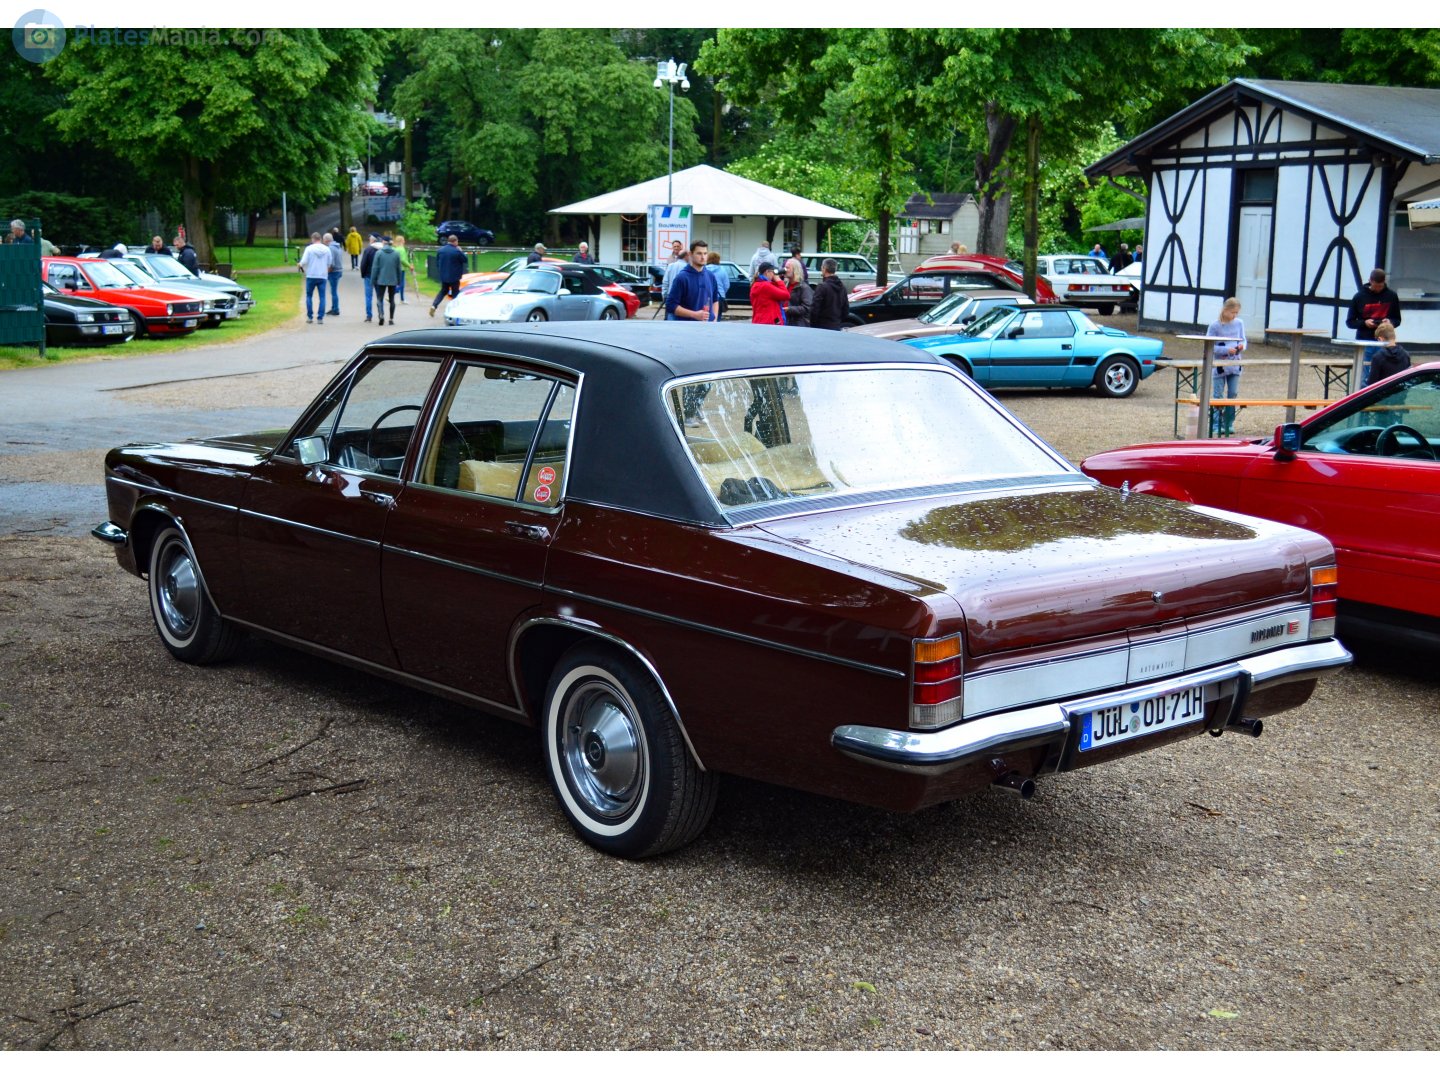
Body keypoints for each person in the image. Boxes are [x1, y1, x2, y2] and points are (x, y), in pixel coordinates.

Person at [1347, 267, 1403, 384]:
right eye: (1375, 286)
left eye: (1380, 286)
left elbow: (1397, 320)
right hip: (1364, 341)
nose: (1378, 289)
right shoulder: (1359, 297)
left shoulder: (1391, 296)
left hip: (1384, 342)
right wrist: (1364, 323)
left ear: (1384, 282)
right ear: (1370, 281)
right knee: (1363, 376)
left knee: (1384, 374)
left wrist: (1389, 322)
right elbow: (1350, 322)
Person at [1206, 297, 1246, 437]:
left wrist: (1241, 347)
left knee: (1232, 394)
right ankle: (1216, 424)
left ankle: (1228, 423)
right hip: (1219, 366)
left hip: (1235, 364)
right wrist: (1225, 350)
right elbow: (1210, 346)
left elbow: (1243, 340)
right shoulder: (1215, 326)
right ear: (1225, 310)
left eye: (1236, 313)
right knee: (1218, 395)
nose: (1235, 315)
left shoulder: (1239, 323)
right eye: (1233, 312)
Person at [665, 239, 717, 322]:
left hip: (708, 327)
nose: (703, 257)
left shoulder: (711, 276)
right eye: (699, 253)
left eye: (705, 253)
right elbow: (670, 306)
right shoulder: (682, 277)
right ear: (690, 254)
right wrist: (694, 314)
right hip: (687, 327)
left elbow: (715, 300)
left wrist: (714, 319)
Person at [297, 231, 332, 324]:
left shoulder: (309, 249)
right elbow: (329, 263)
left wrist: (300, 264)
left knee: (309, 296)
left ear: (313, 239)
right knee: (322, 297)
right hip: (322, 276)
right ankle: (320, 317)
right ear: (320, 239)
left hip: (311, 275)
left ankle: (310, 316)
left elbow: (304, 261)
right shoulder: (327, 249)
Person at [1364, 320, 1410, 387]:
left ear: (1380, 339)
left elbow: (1371, 383)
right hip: (1401, 391)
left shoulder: (1378, 357)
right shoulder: (1406, 355)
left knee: (1362, 383)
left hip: (1383, 392)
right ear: (1394, 337)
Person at [430, 234, 466, 317]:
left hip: (444, 275)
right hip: (454, 276)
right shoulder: (456, 251)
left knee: (443, 291)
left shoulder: (441, 250)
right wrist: (461, 251)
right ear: (455, 241)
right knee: (455, 293)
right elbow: (465, 260)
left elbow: (437, 263)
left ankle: (434, 305)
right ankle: (454, 310)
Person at [810, 258, 850, 330]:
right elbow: (846, 310)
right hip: (836, 326)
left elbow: (814, 309)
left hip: (821, 327)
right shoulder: (842, 287)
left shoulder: (822, 287)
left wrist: (813, 325)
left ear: (824, 268)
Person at [371, 236, 402, 327]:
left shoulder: (379, 253)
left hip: (381, 279)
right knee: (392, 299)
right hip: (393, 280)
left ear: (383, 243)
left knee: (379, 299)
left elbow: (375, 268)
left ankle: (381, 315)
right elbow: (399, 268)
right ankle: (391, 319)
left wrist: (373, 280)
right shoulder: (396, 253)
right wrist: (399, 280)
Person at [359, 233, 382, 321]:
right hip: (379, 276)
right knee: (379, 296)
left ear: (373, 240)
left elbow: (363, 264)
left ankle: (369, 315)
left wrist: (363, 274)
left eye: (370, 238)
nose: (369, 240)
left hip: (369, 275)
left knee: (368, 296)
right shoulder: (382, 249)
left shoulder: (368, 250)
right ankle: (381, 313)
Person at [784, 260, 813, 327]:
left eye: (787, 268)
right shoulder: (785, 285)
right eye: (785, 267)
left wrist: (789, 309)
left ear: (795, 269)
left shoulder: (804, 287)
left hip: (798, 324)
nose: (785, 270)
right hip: (787, 321)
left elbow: (807, 308)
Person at [705, 251, 730, 320]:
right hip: (719, 296)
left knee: (705, 317)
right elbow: (727, 285)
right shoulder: (722, 270)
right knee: (717, 317)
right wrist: (722, 292)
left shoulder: (704, 269)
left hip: (705, 296)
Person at [325, 232, 344, 316]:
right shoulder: (337, 246)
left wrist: (326, 272)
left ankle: (336, 309)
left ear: (326, 240)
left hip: (334, 272)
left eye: (324, 240)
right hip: (339, 270)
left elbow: (331, 264)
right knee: (333, 290)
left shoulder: (331, 248)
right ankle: (334, 307)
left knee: (333, 291)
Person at [393, 233, 413, 303]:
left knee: (399, 284)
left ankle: (402, 299)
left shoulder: (395, 249)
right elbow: (403, 260)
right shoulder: (402, 249)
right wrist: (409, 265)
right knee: (401, 284)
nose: (404, 241)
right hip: (401, 268)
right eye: (403, 240)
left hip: (395, 268)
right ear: (401, 241)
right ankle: (392, 294)